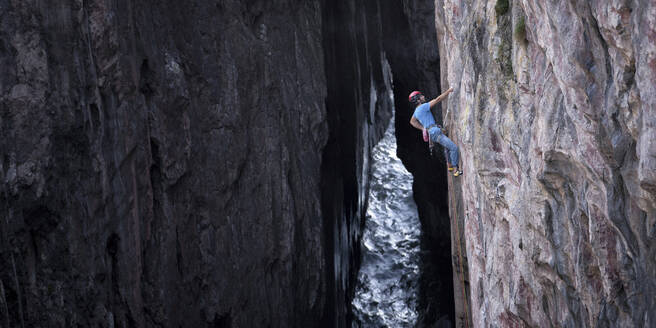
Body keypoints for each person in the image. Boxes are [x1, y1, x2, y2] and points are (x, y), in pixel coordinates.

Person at [409, 88, 463, 177]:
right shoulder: (423, 107)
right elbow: (438, 99)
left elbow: (412, 122)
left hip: (433, 133)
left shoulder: (416, 112)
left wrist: (423, 128)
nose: (423, 96)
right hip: (435, 132)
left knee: (447, 146)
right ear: (418, 100)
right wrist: (449, 91)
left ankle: (449, 165)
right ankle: (456, 169)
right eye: (421, 96)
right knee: (454, 148)